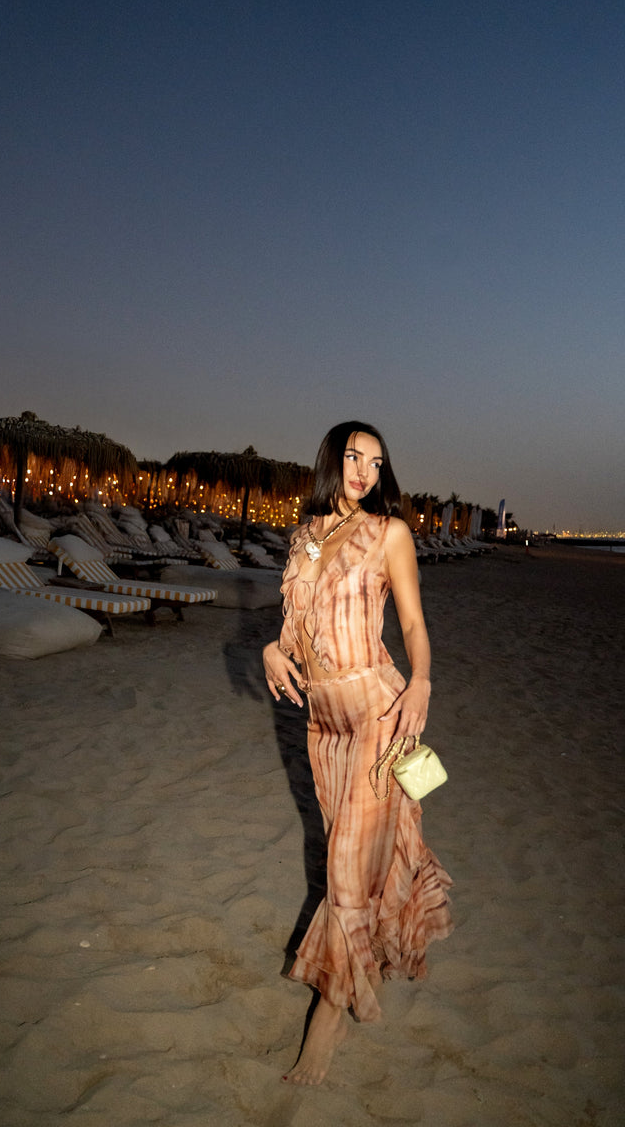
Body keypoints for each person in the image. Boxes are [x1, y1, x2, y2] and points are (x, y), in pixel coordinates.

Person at [262, 421, 452, 1085]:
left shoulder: (389, 533)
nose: (363, 470)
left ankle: (329, 1019)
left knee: (345, 870)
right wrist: (271, 650)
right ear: (332, 460)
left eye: (375, 461)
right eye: (352, 456)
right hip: (323, 725)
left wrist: (422, 680)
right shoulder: (306, 537)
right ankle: (355, 971)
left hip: (375, 714)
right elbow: (296, 630)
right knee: (350, 859)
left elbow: (412, 622)